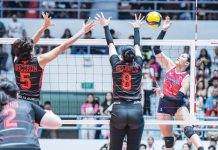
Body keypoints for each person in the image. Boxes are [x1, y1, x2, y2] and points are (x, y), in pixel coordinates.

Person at [13, 12, 95, 104]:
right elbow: (63, 46)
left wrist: (44, 26)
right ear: (30, 51)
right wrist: (82, 31)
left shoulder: (16, 60)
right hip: (33, 103)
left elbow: (30, 43)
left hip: (19, 101)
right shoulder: (40, 61)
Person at [153, 16, 204, 150]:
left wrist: (163, 95)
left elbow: (178, 99)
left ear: (186, 63)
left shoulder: (186, 77)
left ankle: (201, 148)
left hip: (177, 104)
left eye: (182, 56)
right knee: (168, 141)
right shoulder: (170, 65)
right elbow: (156, 49)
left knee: (188, 129)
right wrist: (163, 30)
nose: (179, 56)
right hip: (164, 105)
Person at [96, 12, 144, 150]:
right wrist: (136, 28)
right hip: (136, 109)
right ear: (134, 57)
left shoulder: (116, 64)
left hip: (118, 109)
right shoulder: (138, 64)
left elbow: (110, 44)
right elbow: (138, 47)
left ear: (121, 57)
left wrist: (106, 27)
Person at [0, 79, 62, 150]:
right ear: (17, 94)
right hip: (30, 147)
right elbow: (58, 123)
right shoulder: (26, 104)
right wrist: (48, 112)